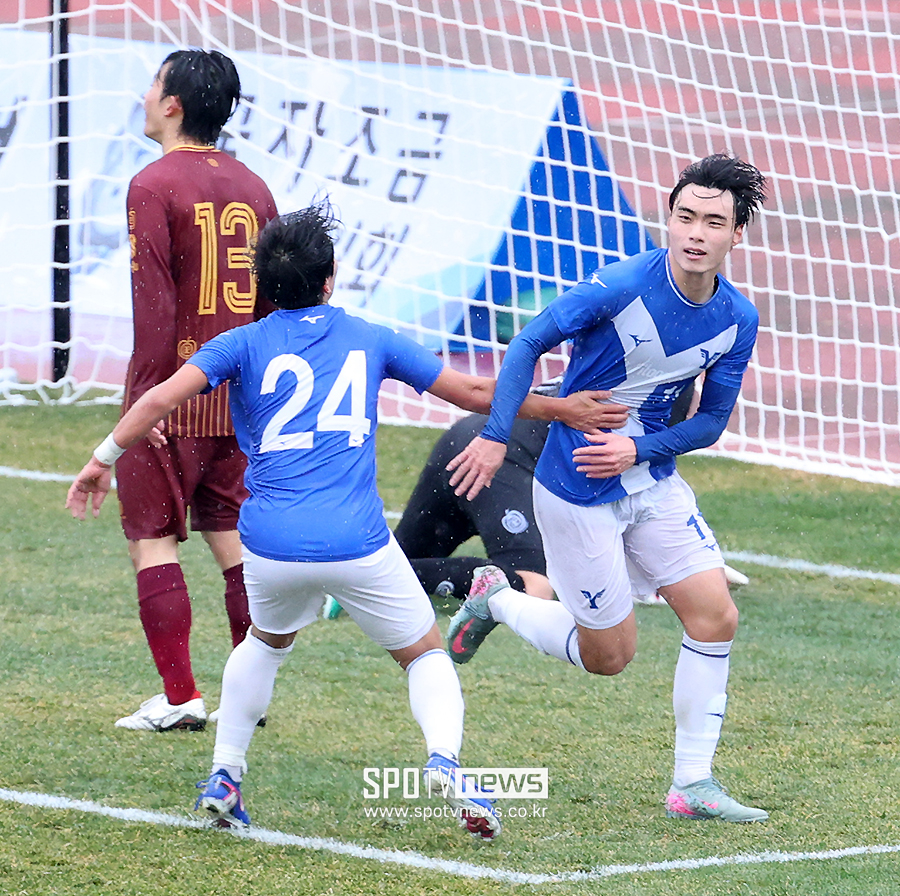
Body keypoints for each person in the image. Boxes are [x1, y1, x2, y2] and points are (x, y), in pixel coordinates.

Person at [66, 202, 623, 839]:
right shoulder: (368, 336)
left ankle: (226, 773)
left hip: (270, 544)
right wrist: (562, 408)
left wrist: (101, 460)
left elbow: (159, 398)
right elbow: (473, 393)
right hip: (355, 543)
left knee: (264, 644)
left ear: (261, 285)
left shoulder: (240, 344)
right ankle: (445, 762)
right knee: (424, 654)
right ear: (330, 279)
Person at [445, 154, 770, 823]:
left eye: (713, 222)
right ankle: (498, 600)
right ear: (668, 218)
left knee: (716, 616)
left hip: (652, 480)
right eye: (685, 217)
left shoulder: (738, 317)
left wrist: (638, 449)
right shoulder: (618, 286)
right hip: (577, 490)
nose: (696, 233)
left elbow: (712, 421)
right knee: (610, 657)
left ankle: (692, 785)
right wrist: (497, 434)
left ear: (736, 233)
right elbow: (526, 343)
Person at [111, 50, 278, 732]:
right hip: (239, 397)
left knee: (153, 540)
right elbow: (273, 301)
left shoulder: (152, 185)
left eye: (154, 84)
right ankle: (248, 696)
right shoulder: (256, 186)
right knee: (231, 538)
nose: (146, 94)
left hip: (173, 395)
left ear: (173, 103)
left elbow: (154, 306)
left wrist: (146, 400)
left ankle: (180, 697)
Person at [392, 381, 735, 606]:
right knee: (535, 587)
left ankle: (378, 580)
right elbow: (631, 492)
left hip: (471, 437)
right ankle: (395, 581)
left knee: (397, 560)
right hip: (504, 459)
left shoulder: (634, 355)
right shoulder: (671, 396)